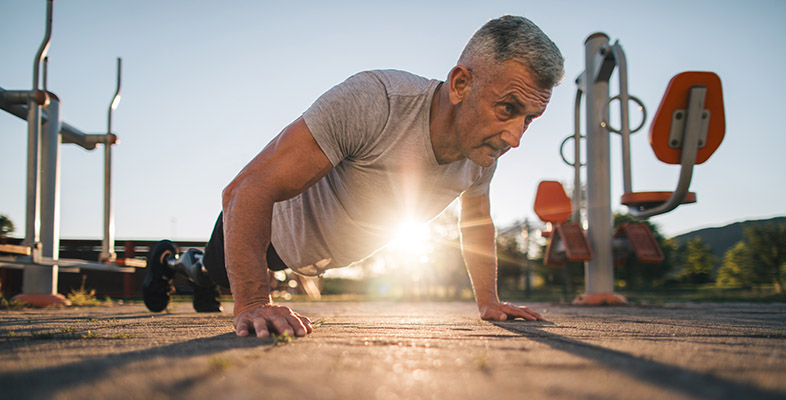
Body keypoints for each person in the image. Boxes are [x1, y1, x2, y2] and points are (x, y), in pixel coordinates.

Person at [143, 15, 564, 339]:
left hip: (308, 255)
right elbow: (245, 189)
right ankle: (168, 260)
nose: (515, 136)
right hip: (267, 231)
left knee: (216, 282)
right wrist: (253, 301)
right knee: (215, 274)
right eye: (508, 108)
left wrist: (488, 301)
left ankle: (198, 277)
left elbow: (477, 224)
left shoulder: (484, 150)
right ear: (460, 84)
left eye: (530, 119)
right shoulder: (375, 102)